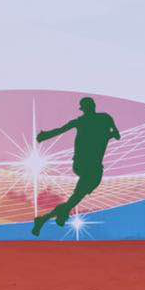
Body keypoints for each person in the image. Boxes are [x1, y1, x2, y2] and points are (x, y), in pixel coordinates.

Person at [31, 98, 120, 236]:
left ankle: (53, 216)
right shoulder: (103, 118)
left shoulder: (92, 120)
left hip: (83, 165)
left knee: (76, 197)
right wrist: (107, 135)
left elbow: (60, 130)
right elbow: (116, 135)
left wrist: (44, 136)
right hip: (89, 166)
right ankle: (54, 216)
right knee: (78, 195)